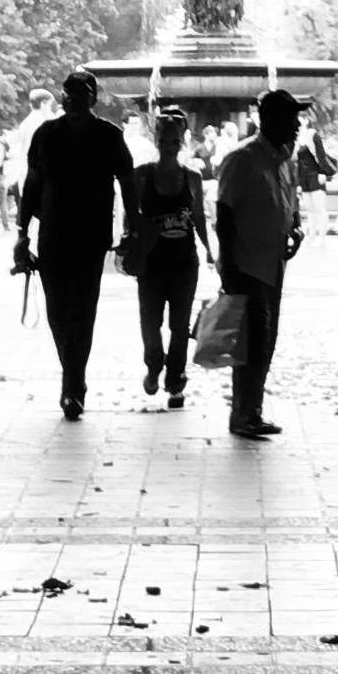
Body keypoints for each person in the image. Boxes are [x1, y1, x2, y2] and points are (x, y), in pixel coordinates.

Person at [13, 71, 135, 419]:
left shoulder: (109, 136)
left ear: (93, 98)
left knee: (82, 310)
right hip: (52, 235)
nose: (71, 100)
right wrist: (22, 232)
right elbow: (32, 184)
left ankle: (72, 384)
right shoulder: (46, 134)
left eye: (79, 94)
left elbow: (128, 182)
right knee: (56, 312)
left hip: (91, 237)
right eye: (66, 94)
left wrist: (132, 228)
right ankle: (73, 374)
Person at [211, 86, 306, 437]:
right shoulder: (242, 159)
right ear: (270, 120)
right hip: (247, 265)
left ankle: (253, 410)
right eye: (291, 118)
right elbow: (223, 214)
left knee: (265, 341)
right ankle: (242, 414)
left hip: (274, 264)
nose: (297, 125)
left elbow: (290, 205)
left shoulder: (285, 160)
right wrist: (228, 266)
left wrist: (296, 229)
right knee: (250, 342)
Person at [124, 104, 203, 404]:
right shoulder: (141, 175)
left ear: (181, 143)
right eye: (163, 142)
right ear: (156, 142)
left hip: (184, 261)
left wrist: (211, 252)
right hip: (151, 260)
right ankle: (154, 364)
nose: (169, 147)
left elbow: (199, 218)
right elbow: (130, 215)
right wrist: (130, 241)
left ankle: (175, 379)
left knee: (180, 325)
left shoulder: (192, 178)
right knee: (150, 322)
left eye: (174, 142)